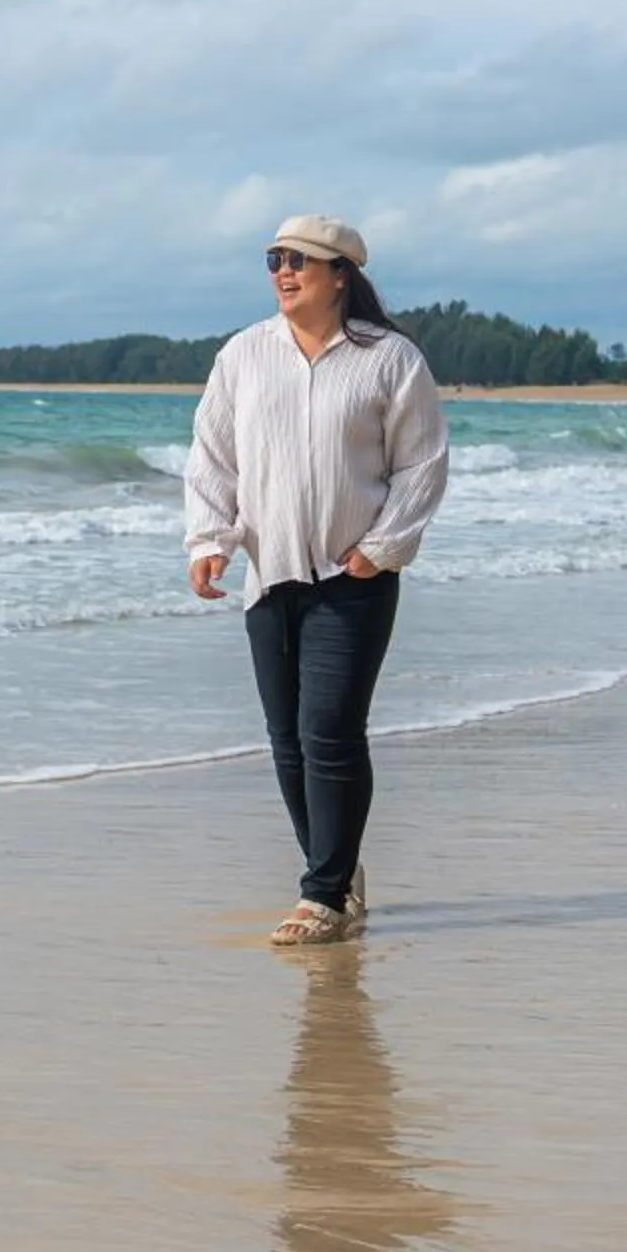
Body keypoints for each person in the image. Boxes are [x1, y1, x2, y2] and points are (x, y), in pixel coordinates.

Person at [184, 215, 450, 947]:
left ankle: (323, 895)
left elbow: (422, 465)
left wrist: (384, 546)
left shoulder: (390, 359)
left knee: (329, 732)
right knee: (288, 741)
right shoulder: (243, 355)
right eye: (273, 258)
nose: (282, 271)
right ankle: (335, 869)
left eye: (299, 260)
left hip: (352, 575)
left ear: (341, 274)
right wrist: (210, 539)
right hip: (269, 578)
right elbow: (214, 455)